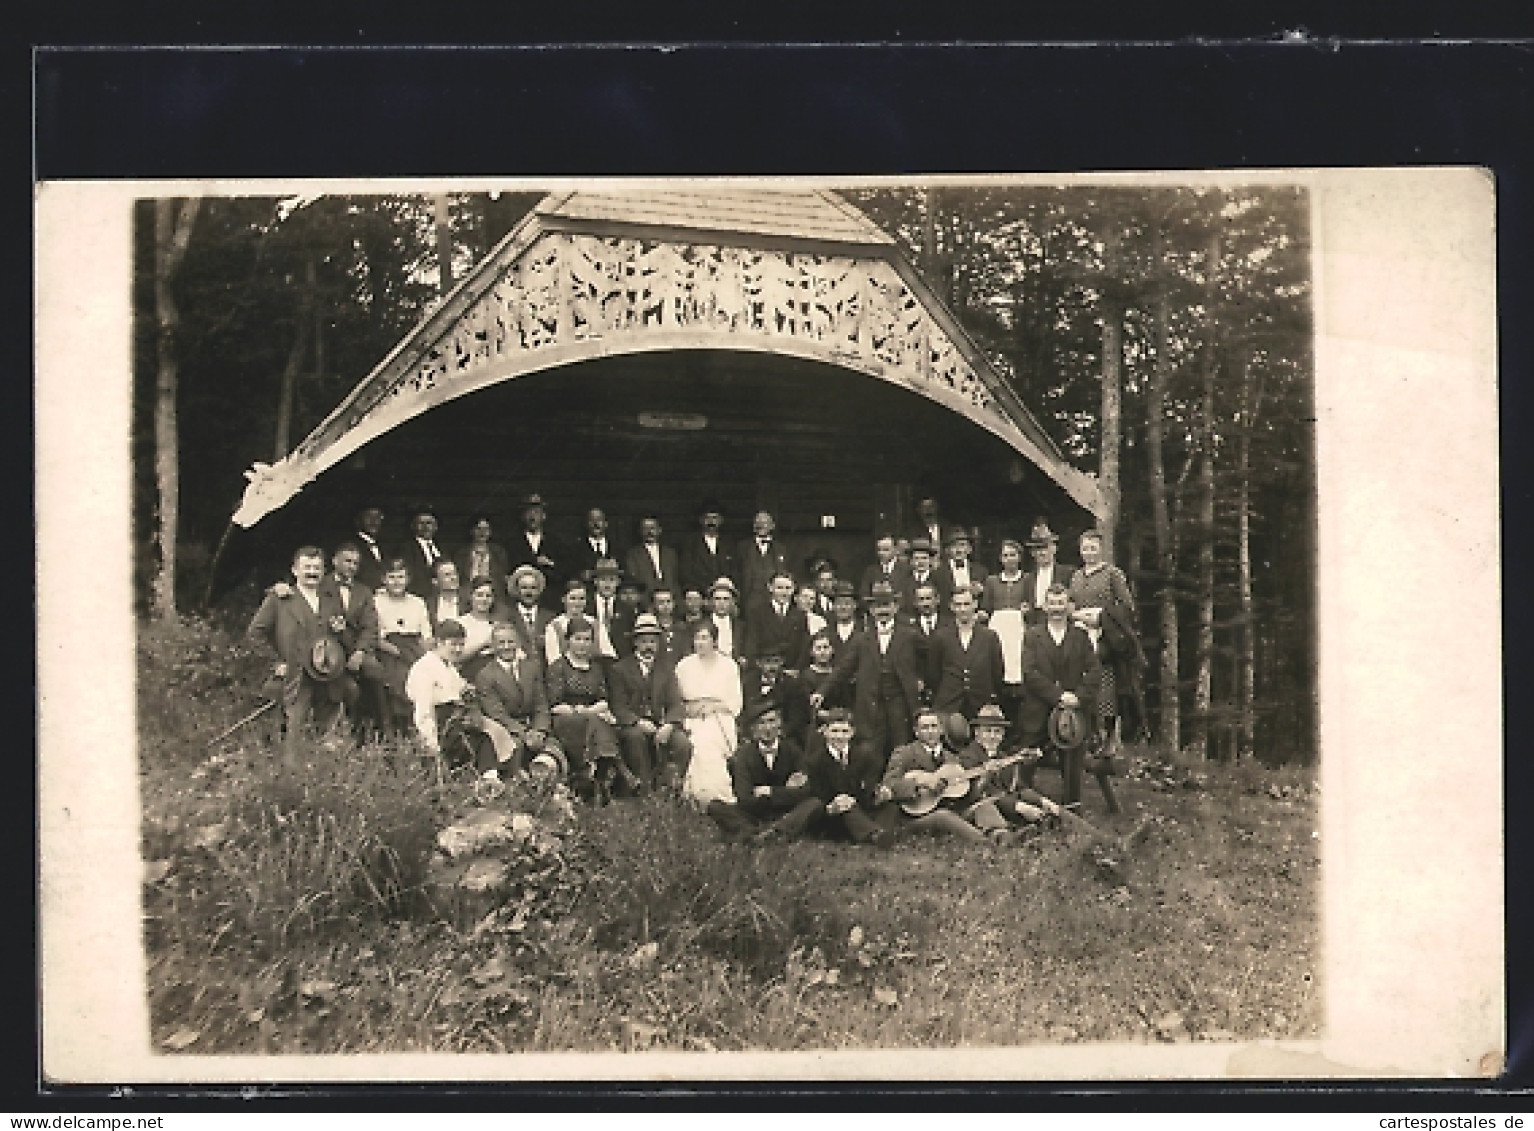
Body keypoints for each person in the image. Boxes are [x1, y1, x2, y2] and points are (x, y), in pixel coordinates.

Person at [247, 545, 352, 762]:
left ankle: (324, 781)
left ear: (323, 571)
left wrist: (341, 632)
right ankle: (293, 782)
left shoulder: (331, 599)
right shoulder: (280, 598)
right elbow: (255, 633)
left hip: (328, 678)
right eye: (307, 567)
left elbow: (341, 639)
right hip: (297, 677)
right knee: (294, 734)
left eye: (317, 568)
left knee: (328, 735)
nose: (312, 572)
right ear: (295, 570)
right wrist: (275, 663)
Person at [814, 581, 920, 768]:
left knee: (901, 751)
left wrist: (920, 681)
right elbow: (843, 668)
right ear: (871, 610)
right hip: (871, 706)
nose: (883, 610)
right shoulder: (862, 640)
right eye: (878, 606)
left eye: (887, 605)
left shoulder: (910, 635)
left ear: (895, 607)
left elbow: (927, 660)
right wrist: (822, 691)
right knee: (872, 753)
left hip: (900, 705)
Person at [404, 620, 519, 778]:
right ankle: (489, 780)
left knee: (496, 733)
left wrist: (467, 693)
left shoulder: (448, 666)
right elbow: (423, 711)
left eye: (461, 645)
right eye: (453, 644)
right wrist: (431, 746)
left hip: (456, 720)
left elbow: (461, 689)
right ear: (439, 642)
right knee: (484, 740)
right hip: (439, 726)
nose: (458, 650)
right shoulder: (424, 669)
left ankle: (495, 779)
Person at [1021, 584, 1101, 807]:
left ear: (1069, 606)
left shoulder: (1080, 636)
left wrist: (1078, 697)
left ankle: (1071, 807)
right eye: (1052, 603)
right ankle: (1023, 803)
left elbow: (1094, 671)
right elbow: (1029, 672)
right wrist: (1058, 696)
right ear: (1045, 606)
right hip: (1038, 707)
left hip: (1073, 710)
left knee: (1073, 757)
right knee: (1028, 757)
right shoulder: (1032, 635)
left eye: (1061, 603)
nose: (1057, 608)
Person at [1066, 527, 1143, 756]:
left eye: (1093, 548)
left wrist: (1101, 618)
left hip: (1104, 634)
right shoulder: (1077, 576)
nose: (1089, 553)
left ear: (1101, 549)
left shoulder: (1113, 574)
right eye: (1085, 548)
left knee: (1105, 685)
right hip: (1081, 631)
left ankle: (1109, 737)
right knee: (1082, 680)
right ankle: (1086, 735)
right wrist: (1075, 614)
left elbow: (1127, 606)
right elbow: (1070, 601)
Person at [545, 616, 632, 799]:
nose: (582, 644)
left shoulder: (596, 668)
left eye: (587, 640)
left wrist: (590, 711)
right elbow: (554, 704)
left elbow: (603, 699)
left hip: (591, 716)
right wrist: (582, 711)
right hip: (565, 718)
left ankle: (601, 778)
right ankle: (617, 768)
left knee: (598, 722)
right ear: (568, 640)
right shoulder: (558, 667)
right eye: (578, 639)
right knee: (596, 722)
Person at [709, 703, 822, 842]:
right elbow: (744, 797)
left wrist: (771, 792)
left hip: (787, 812)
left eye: (771, 721)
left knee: (815, 803)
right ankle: (758, 832)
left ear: (779, 724)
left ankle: (773, 832)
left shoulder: (793, 751)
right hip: (755, 813)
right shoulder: (744, 755)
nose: (768, 728)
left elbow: (806, 791)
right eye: (761, 723)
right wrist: (787, 791)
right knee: (715, 806)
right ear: (753, 729)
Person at [880, 708, 990, 843]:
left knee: (983, 804)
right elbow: (889, 785)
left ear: (941, 729)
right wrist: (920, 782)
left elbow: (965, 795)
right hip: (915, 818)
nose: (930, 731)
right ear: (916, 732)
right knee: (942, 816)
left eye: (934, 726)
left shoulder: (952, 759)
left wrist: (983, 777)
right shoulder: (904, 753)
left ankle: (1001, 834)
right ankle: (984, 841)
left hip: (951, 810)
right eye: (925, 728)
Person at [609, 613, 692, 790]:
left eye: (653, 641)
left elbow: (676, 703)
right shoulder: (620, 669)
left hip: (661, 723)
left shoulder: (666, 669)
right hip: (632, 725)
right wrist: (637, 722)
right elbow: (618, 706)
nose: (649, 646)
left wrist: (669, 725)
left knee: (682, 743)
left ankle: (672, 788)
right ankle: (643, 788)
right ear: (635, 643)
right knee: (635, 737)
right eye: (644, 641)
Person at [474, 623, 567, 778]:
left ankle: (552, 787)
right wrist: (525, 734)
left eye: (510, 642)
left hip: (535, 727)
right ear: (493, 646)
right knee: (516, 750)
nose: (506, 647)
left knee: (553, 750)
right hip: (508, 731)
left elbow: (541, 704)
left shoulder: (531, 668)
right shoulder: (485, 675)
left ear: (517, 643)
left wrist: (540, 730)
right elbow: (497, 714)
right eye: (501, 643)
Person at [317, 542, 388, 735]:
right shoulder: (319, 586)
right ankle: (341, 730)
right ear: (334, 561)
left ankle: (383, 730)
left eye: (355, 563)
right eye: (347, 561)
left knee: (375, 672)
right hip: (327, 648)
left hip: (355, 647)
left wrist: (360, 651)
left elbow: (370, 626)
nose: (351, 566)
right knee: (347, 688)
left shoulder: (363, 592)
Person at [672, 619, 743, 813]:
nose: (700, 643)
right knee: (696, 742)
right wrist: (689, 709)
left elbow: (735, 702)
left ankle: (716, 796)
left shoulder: (729, 665)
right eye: (697, 638)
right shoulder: (684, 666)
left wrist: (713, 706)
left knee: (709, 742)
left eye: (705, 638)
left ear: (714, 641)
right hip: (692, 718)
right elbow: (675, 700)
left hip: (720, 718)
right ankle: (697, 798)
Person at [801, 709, 896, 847]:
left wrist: (878, 794)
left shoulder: (865, 756)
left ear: (852, 733)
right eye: (835, 731)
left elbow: (868, 787)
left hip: (859, 807)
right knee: (844, 807)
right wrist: (834, 804)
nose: (840, 737)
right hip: (834, 814)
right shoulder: (815, 761)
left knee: (890, 806)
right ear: (825, 732)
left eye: (844, 731)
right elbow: (818, 795)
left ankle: (879, 832)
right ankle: (874, 834)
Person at [927, 588, 1005, 730]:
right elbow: (933, 673)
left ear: (975, 604)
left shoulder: (989, 637)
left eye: (966, 604)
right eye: (958, 605)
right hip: (949, 703)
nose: (962, 609)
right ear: (951, 607)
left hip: (980, 703)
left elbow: (997, 672)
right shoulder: (940, 636)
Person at [371, 557, 434, 734]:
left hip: (415, 648)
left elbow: (426, 635)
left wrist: (423, 657)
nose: (396, 582)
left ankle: (420, 731)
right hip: (389, 649)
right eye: (392, 577)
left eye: (401, 577)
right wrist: (398, 652)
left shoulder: (417, 602)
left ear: (408, 579)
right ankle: (395, 731)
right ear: (383, 579)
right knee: (398, 680)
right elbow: (375, 636)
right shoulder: (376, 601)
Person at [980, 538, 1031, 745]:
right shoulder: (992, 581)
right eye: (1005, 555)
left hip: (1018, 630)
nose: (1009, 559)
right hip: (999, 629)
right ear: (1000, 559)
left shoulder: (1027, 579)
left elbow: (1030, 605)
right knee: (1000, 670)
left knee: (1018, 674)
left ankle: (1019, 732)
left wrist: (1026, 611)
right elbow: (986, 608)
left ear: (1019, 558)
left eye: (1013, 555)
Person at [740, 642, 811, 742]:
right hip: (753, 737)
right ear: (759, 663)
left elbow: (797, 718)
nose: (772, 667)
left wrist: (778, 734)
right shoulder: (748, 683)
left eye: (776, 661)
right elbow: (742, 712)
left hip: (783, 737)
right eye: (767, 662)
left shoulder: (793, 685)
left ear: (782, 662)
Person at [742, 571, 810, 672]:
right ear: (770, 588)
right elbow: (751, 644)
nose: (784, 592)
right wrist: (760, 668)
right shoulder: (757, 613)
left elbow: (804, 646)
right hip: (764, 671)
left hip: (792, 672)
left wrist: (796, 669)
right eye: (779, 588)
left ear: (793, 589)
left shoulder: (800, 615)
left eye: (788, 588)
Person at [508, 493, 564, 608]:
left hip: (550, 601)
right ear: (522, 516)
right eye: (528, 512)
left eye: (536, 512)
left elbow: (564, 570)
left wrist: (551, 564)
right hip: (521, 601)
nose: (532, 516)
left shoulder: (555, 542)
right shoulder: (513, 543)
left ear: (544, 516)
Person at [679, 499, 738, 598]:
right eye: (707, 518)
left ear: (721, 520)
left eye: (715, 518)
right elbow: (686, 572)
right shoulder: (690, 544)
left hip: (725, 595)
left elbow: (735, 570)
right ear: (701, 520)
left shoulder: (729, 543)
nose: (711, 522)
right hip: (700, 595)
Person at [1023, 519, 1076, 628]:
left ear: (1054, 548)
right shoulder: (1028, 578)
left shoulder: (1068, 573)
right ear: (1033, 553)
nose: (1042, 553)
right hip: (1036, 624)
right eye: (1037, 549)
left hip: (1061, 622)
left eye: (1045, 548)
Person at [452, 516, 511, 613]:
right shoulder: (461, 553)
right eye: (478, 529)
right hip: (467, 597)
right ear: (472, 531)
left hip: (493, 597)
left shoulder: (499, 553)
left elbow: (503, 577)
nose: (482, 532)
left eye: (486, 529)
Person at [738, 509, 793, 605]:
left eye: (765, 523)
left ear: (772, 526)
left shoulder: (782, 549)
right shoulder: (742, 547)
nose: (761, 526)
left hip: (774, 600)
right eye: (758, 523)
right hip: (750, 600)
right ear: (754, 527)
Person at [505, 565, 555, 665]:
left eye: (533, 588)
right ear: (517, 590)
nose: (529, 592)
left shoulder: (550, 618)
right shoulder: (507, 617)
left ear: (539, 590)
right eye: (524, 588)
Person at [455, 576, 501, 683]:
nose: (484, 600)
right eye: (479, 595)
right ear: (471, 596)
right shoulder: (460, 623)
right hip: (468, 677)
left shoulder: (498, 623)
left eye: (488, 596)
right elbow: (456, 657)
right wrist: (484, 642)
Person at [624, 514, 680, 598]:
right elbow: (635, 581)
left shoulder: (670, 553)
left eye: (653, 528)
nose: (649, 532)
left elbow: (675, 580)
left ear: (659, 530)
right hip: (646, 599)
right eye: (645, 528)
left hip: (671, 599)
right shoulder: (633, 555)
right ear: (640, 531)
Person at [858, 534, 915, 610]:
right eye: (879, 550)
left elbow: (911, 595)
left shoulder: (908, 570)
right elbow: (863, 596)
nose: (881, 553)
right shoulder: (870, 571)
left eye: (886, 549)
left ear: (896, 550)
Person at [587, 558, 628, 662]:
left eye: (611, 580)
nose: (607, 584)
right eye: (603, 579)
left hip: (619, 661)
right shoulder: (586, 606)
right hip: (591, 659)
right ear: (595, 581)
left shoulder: (626, 609)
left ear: (618, 582)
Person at [570, 507, 622, 587]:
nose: (596, 523)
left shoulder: (618, 547)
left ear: (606, 524)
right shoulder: (576, 548)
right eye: (592, 520)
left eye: (599, 520)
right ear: (586, 524)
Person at [400, 509, 446, 599]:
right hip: (419, 596)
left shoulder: (442, 547)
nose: (425, 527)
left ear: (436, 527)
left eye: (429, 523)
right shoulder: (406, 548)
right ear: (413, 526)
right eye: (421, 523)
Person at [544, 578, 591, 666]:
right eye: (573, 598)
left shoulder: (595, 624)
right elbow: (553, 660)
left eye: (581, 598)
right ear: (563, 599)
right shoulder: (554, 626)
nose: (577, 603)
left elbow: (607, 654)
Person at [936, 527, 988, 606]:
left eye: (962, 545)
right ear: (947, 550)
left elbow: (987, 598)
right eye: (954, 546)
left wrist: (981, 590)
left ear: (969, 549)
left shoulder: (981, 571)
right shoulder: (938, 573)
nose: (958, 550)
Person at [647, 585, 689, 668]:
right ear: (654, 605)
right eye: (661, 602)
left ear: (673, 604)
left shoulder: (683, 627)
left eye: (668, 601)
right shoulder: (650, 629)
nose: (665, 605)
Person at [350, 506, 388, 592]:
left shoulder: (384, 547)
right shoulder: (352, 546)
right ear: (358, 520)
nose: (374, 521)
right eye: (368, 516)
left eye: (378, 517)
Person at [824, 580, 864, 662]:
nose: (843, 607)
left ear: (855, 606)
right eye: (839, 603)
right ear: (834, 606)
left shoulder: (865, 631)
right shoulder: (825, 633)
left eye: (847, 603)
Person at [706, 577, 744, 660]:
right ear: (711, 601)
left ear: (732, 602)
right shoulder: (701, 625)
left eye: (726, 599)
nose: (721, 603)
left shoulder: (741, 627)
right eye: (717, 599)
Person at [426, 559, 465, 633]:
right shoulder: (427, 605)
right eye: (447, 575)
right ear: (435, 581)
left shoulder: (470, 601)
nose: (454, 578)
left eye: (455, 573)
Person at [905, 538, 939, 614]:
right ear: (911, 561)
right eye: (917, 558)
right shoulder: (904, 580)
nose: (920, 562)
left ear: (930, 560)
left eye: (924, 558)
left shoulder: (939, 579)